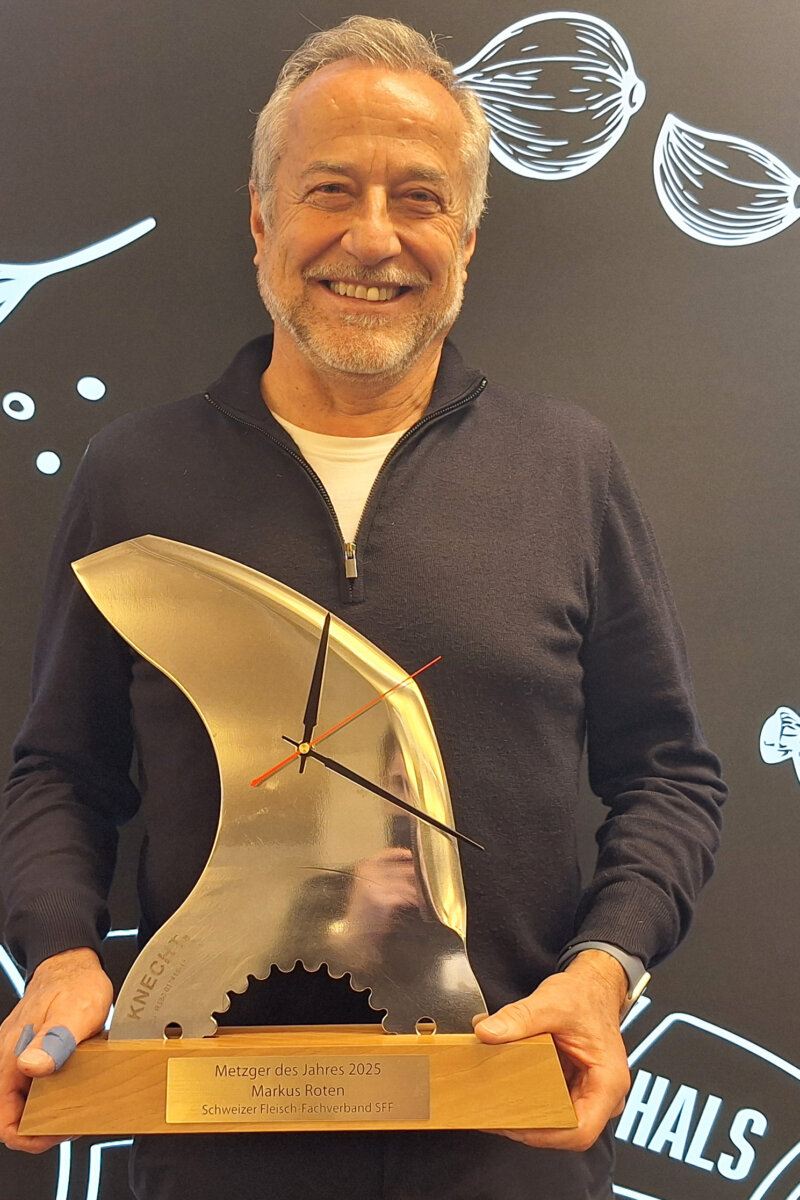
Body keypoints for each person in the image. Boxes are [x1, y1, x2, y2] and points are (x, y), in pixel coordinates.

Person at [0, 15, 725, 1199]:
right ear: (260, 220)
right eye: (329, 189)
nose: (372, 237)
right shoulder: (135, 476)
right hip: (209, 1148)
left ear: (466, 239)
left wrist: (602, 971)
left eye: (419, 198)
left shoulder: (566, 467)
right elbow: (62, 772)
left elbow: (667, 775)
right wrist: (60, 954)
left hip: (509, 1141)